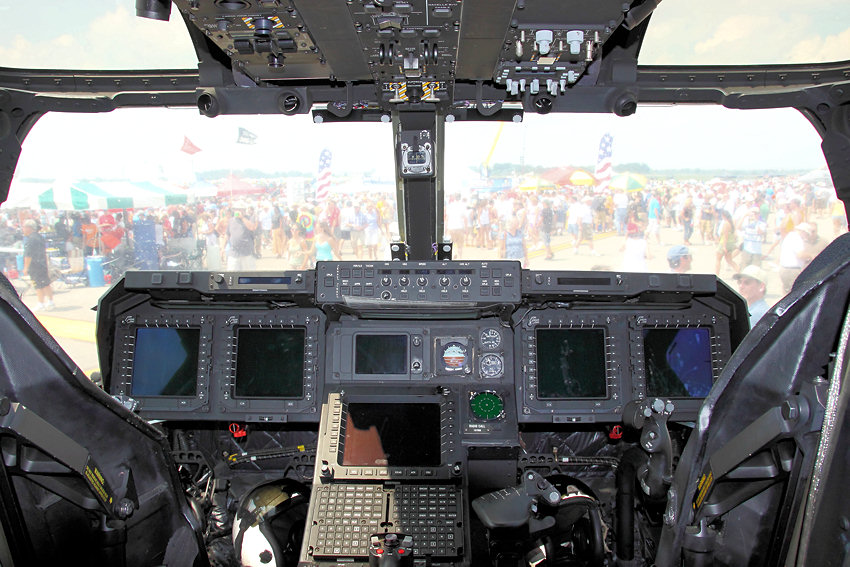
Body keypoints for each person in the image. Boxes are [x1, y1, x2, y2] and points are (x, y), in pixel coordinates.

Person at [22, 219, 54, 311]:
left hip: (35, 266)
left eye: (24, 227)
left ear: (29, 228)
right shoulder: (39, 237)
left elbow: (28, 255)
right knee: (46, 283)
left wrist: (25, 268)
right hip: (43, 264)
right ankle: (51, 302)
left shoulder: (30, 240)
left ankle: (41, 303)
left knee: (38, 285)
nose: (23, 229)